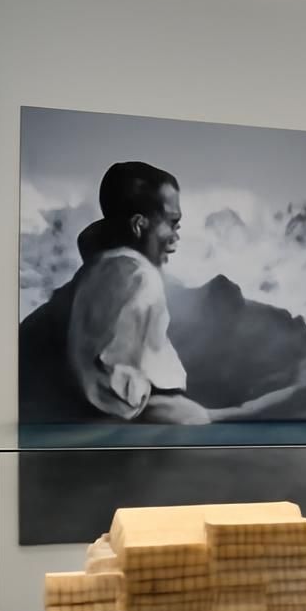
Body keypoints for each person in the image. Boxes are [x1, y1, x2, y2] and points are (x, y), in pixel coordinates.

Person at [65, 161, 209, 424]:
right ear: (139, 225)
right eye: (173, 223)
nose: (176, 236)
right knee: (195, 419)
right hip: (120, 419)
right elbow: (120, 381)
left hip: (91, 414)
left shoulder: (97, 268)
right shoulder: (141, 278)